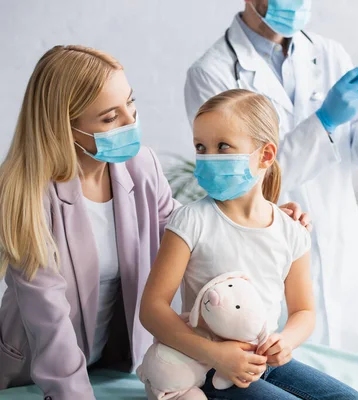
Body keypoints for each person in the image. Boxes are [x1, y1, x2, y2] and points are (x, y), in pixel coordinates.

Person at [0, 45, 309, 399]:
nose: (131, 123)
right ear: (65, 127)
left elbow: (185, 225)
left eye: (131, 104)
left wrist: (265, 219)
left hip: (112, 360)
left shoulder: (140, 166)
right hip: (35, 369)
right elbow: (48, 320)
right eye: (109, 118)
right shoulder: (26, 197)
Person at [184, 0, 358, 356]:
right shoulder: (212, 72)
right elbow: (241, 178)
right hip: (265, 247)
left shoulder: (329, 54)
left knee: (348, 372)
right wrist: (324, 121)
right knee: (278, 365)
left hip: (336, 238)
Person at [140, 88, 358, 400]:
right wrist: (216, 355)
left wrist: (285, 341)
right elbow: (152, 309)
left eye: (223, 147)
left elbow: (303, 311)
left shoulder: (291, 230)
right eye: (201, 147)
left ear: (266, 155)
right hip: (207, 366)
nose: (208, 158)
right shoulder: (191, 221)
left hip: (267, 360)